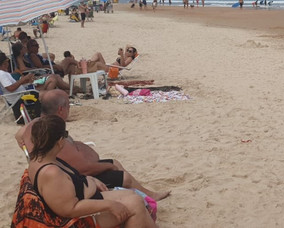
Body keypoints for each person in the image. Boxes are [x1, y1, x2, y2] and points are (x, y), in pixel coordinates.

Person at [16, 90, 170, 201]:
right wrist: (108, 166)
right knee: (123, 175)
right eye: (69, 106)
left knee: (114, 163)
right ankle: (147, 197)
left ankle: (145, 193)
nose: (70, 110)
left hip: (62, 172)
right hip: (73, 179)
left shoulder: (35, 125)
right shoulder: (54, 132)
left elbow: (18, 134)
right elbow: (83, 169)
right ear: (61, 109)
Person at [26, 114, 158, 227]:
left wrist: (91, 180)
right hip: (76, 221)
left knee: (135, 197)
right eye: (65, 135)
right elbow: (69, 210)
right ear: (60, 141)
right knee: (135, 205)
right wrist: (109, 205)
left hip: (84, 199)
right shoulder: (51, 173)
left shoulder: (41, 158)